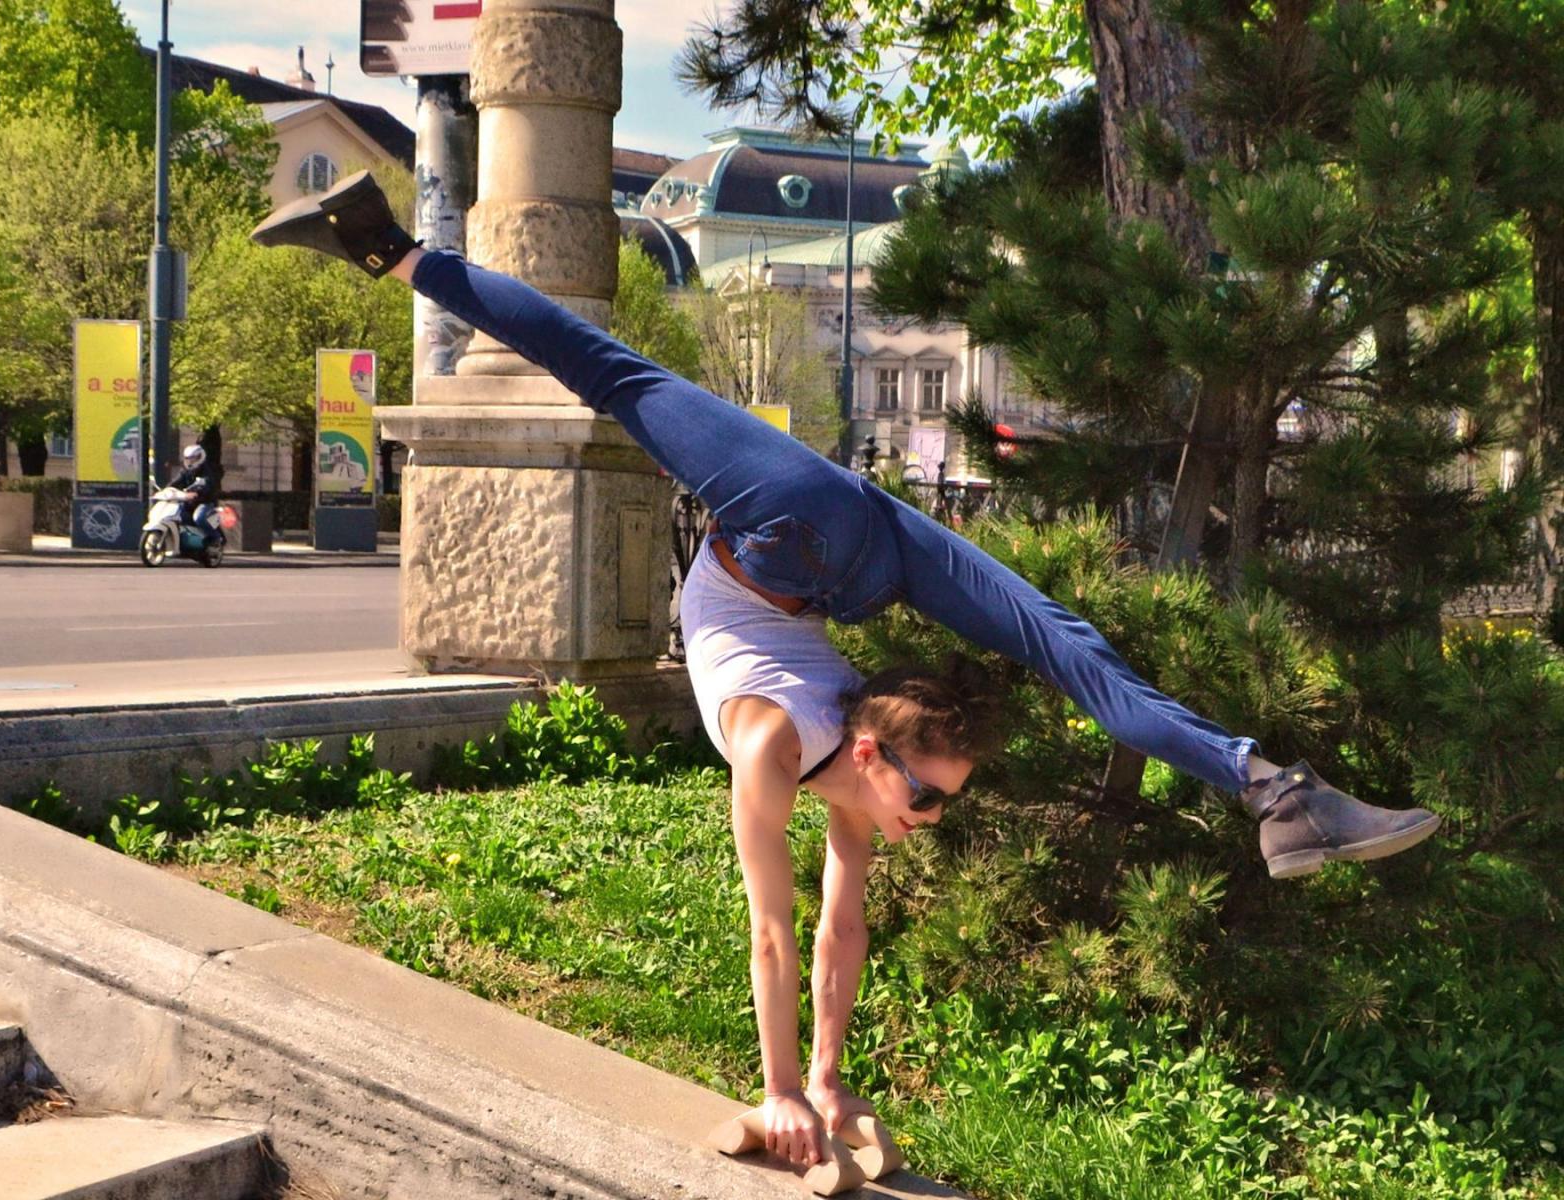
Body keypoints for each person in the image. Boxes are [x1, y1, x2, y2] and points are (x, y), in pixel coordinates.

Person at [251, 173, 1441, 1170]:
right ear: (872, 754)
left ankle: (1272, 794)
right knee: (602, 370)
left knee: (1066, 645)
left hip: (856, 553)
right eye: (927, 796)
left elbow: (835, 936)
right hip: (792, 529)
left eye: (934, 803)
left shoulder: (844, 775)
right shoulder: (780, 745)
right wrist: (772, 1093)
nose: (924, 818)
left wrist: (822, 1086)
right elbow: (774, 935)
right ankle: (391, 248)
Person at [168, 443, 222, 543]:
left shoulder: (207, 470)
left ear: (199, 457)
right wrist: (166, 490)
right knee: (175, 514)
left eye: (192, 459)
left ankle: (216, 538)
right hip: (189, 501)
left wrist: (198, 491)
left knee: (199, 518)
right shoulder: (185, 471)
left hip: (205, 502)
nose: (189, 461)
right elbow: (176, 482)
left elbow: (207, 484)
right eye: (187, 459)